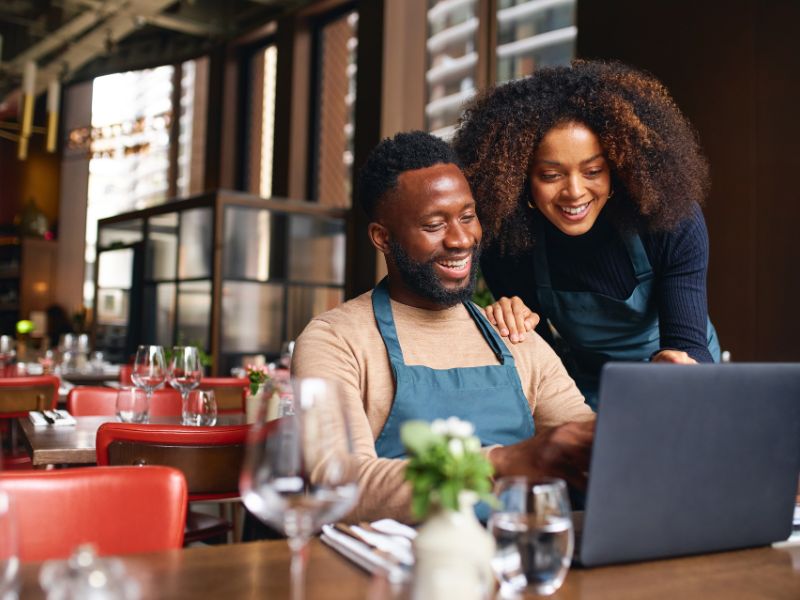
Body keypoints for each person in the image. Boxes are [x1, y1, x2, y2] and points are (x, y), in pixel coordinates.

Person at [291, 131, 594, 524]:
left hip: (519, 561)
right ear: (382, 238)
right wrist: (503, 461)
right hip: (394, 574)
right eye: (435, 225)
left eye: (468, 216)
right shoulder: (335, 340)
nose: (462, 239)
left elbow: (584, 440)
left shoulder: (513, 332)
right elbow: (338, 481)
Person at [453, 60, 721, 409]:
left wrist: (677, 366)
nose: (575, 192)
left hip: (679, 378)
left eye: (593, 170)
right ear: (519, 180)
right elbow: (543, 364)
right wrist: (512, 326)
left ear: (618, 168)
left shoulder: (669, 221)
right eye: (551, 176)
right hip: (589, 388)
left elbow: (689, 343)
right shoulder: (509, 244)